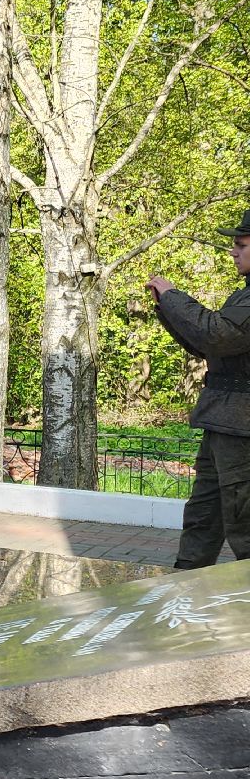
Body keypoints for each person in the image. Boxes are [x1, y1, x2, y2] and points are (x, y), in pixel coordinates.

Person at [148, 209, 250, 568]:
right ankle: (184, 589)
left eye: (241, 245)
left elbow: (216, 334)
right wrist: (167, 308)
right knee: (204, 515)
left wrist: (175, 297)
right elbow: (208, 345)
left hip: (242, 428)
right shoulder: (244, 295)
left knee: (243, 519)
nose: (233, 252)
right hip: (226, 420)